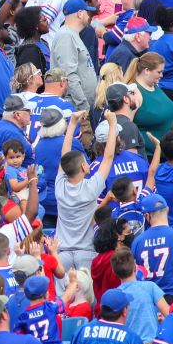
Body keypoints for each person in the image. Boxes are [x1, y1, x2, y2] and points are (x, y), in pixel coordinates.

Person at [56, 109, 118, 270]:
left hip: (62, 254)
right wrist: (113, 124)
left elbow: (64, 155)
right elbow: (108, 157)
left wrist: (73, 123)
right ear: (84, 166)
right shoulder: (91, 187)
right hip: (86, 252)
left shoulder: (59, 187)